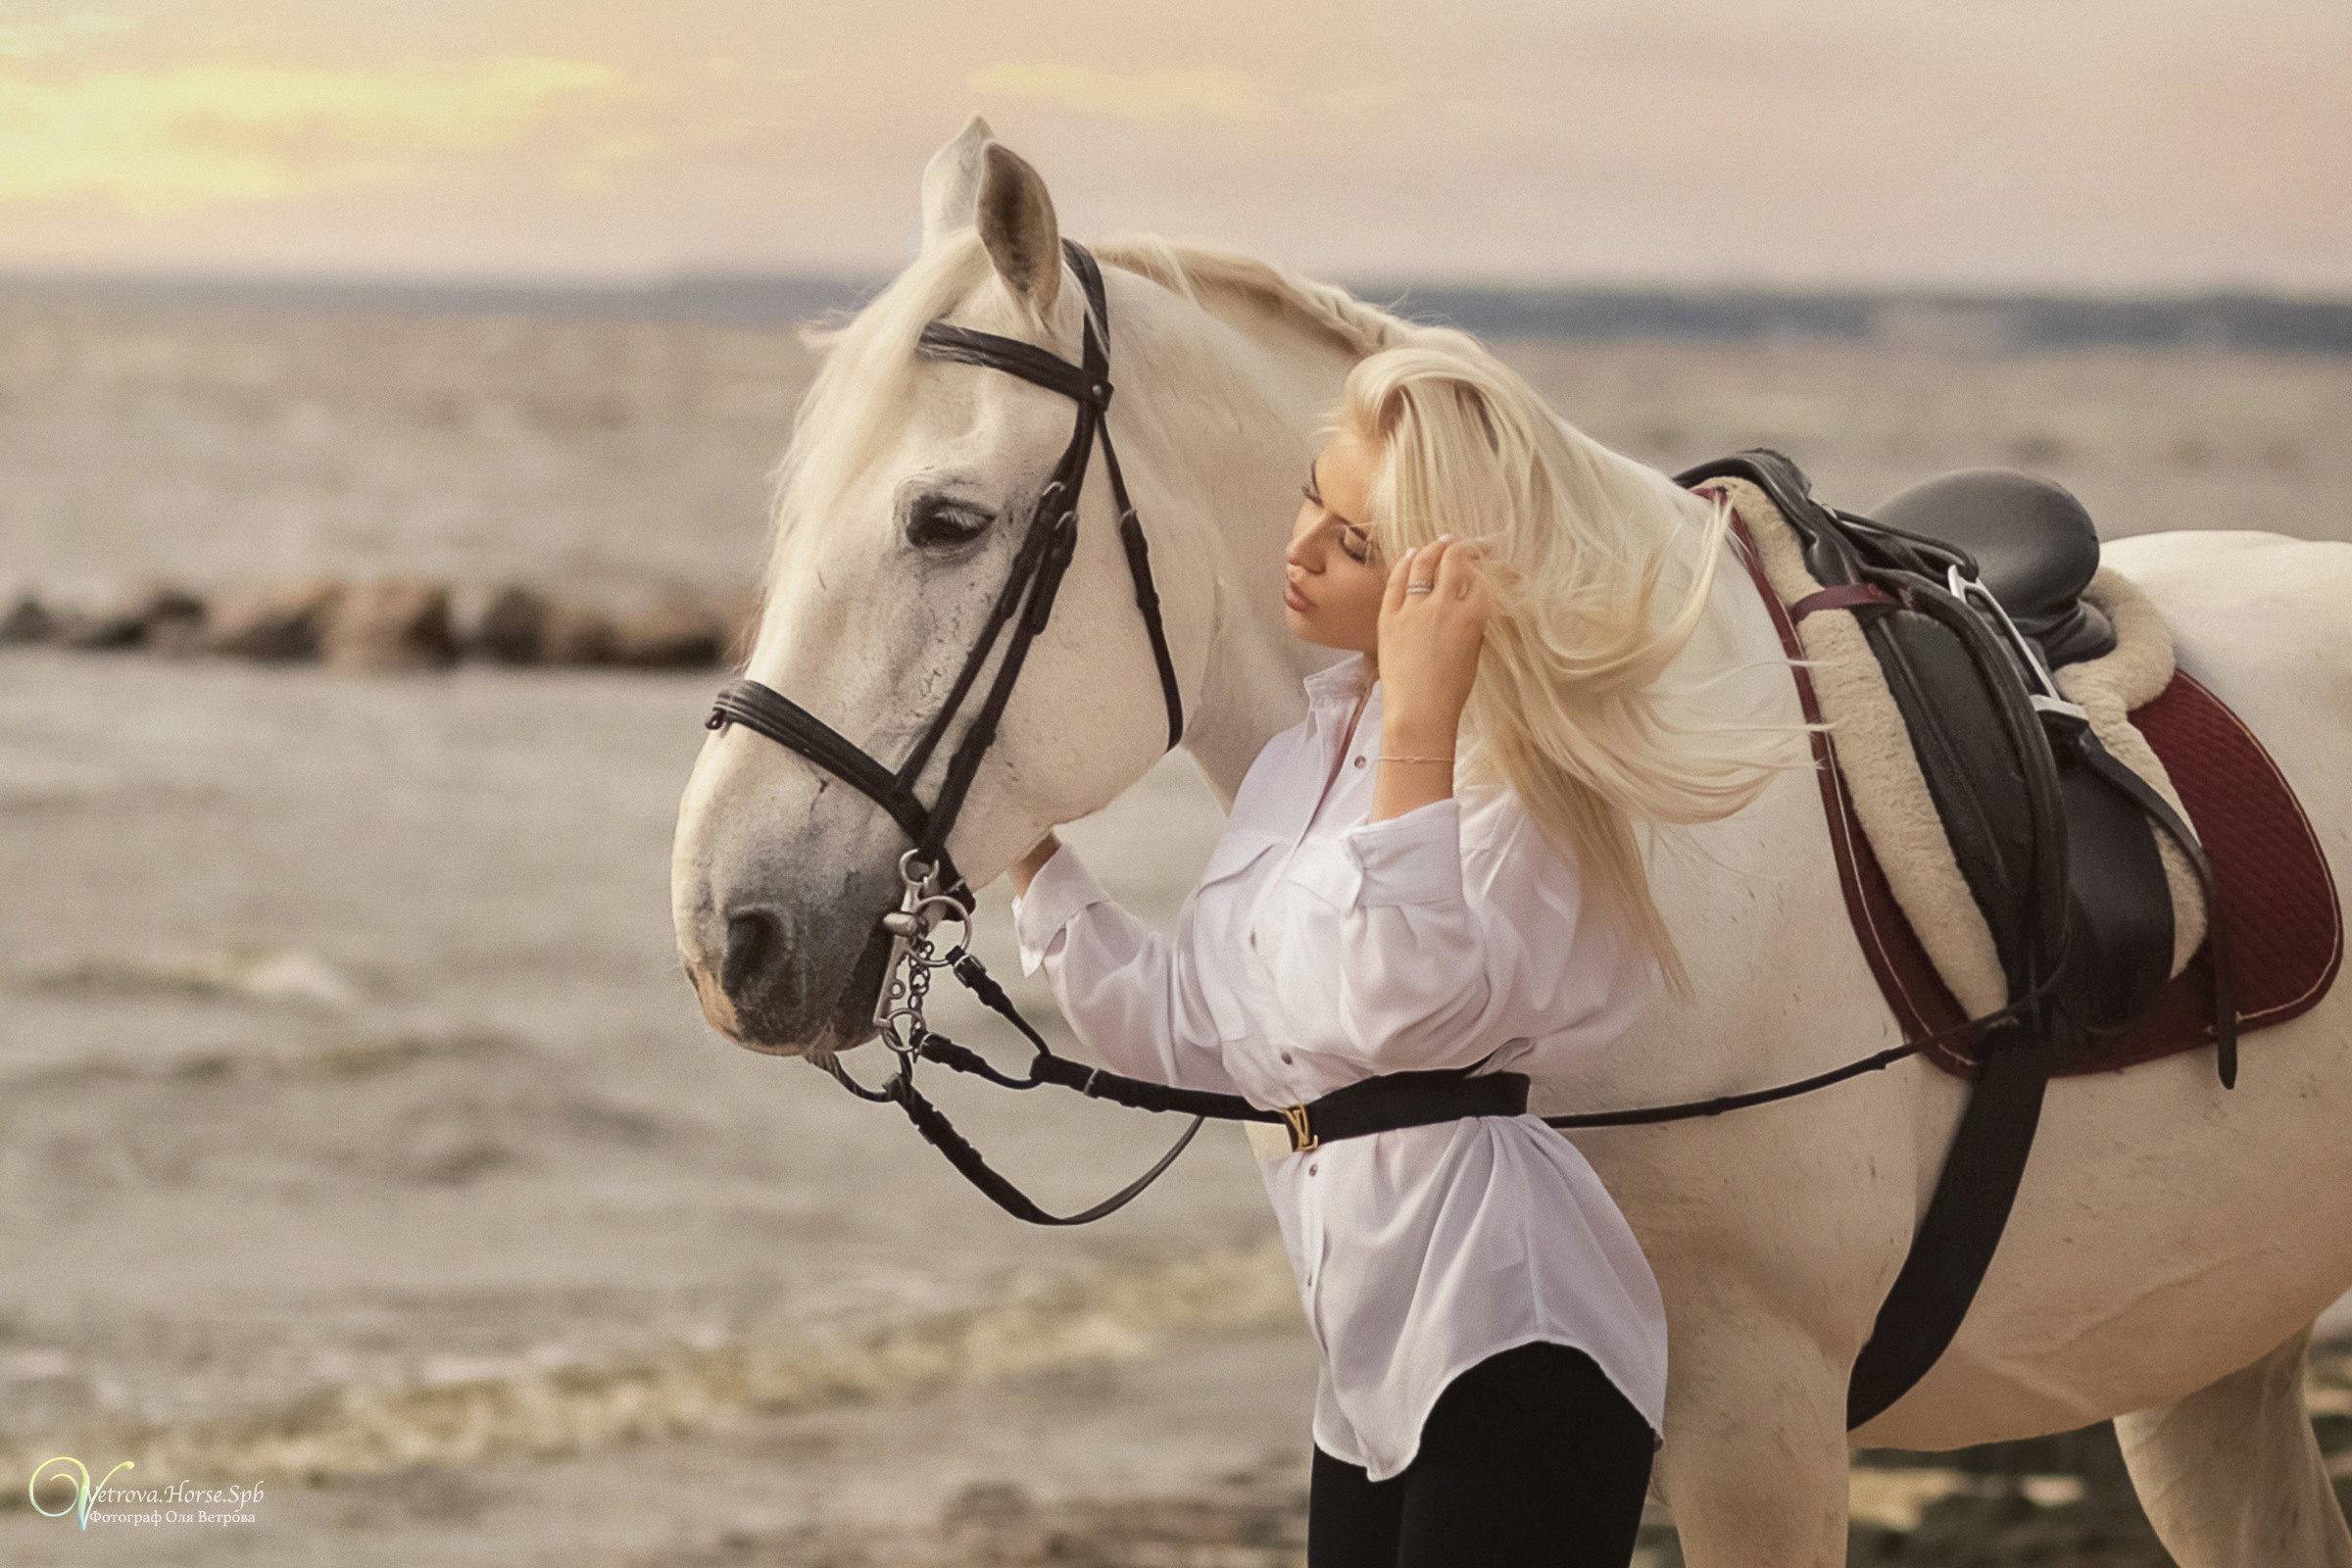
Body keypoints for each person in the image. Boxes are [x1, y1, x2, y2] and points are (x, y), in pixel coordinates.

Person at [1007, 339, 1792, 1567]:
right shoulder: (1294, 763)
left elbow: (1401, 1004)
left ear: (1447, 580)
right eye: (1313, 495)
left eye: (1355, 539)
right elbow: (1200, 1037)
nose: (1301, 544)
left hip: (1513, 1336)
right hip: (1366, 1355)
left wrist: (1424, 718)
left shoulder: (1519, 775)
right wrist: (1028, 853)